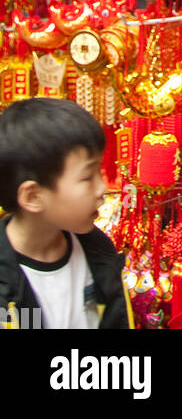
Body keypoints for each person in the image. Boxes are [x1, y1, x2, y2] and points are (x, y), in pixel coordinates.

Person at [0, 98, 132, 329]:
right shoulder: (5, 286)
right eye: (87, 177)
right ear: (33, 196)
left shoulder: (98, 253)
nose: (102, 189)